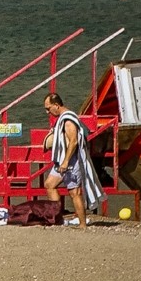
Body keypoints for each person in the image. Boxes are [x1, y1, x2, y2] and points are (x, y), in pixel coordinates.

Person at [41, 92, 104, 229]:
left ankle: (82, 224)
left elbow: (73, 141)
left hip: (72, 160)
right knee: (50, 184)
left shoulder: (68, 120)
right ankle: (58, 219)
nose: (47, 112)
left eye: (48, 108)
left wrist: (65, 161)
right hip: (61, 159)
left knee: (74, 192)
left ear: (56, 105)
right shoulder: (62, 119)